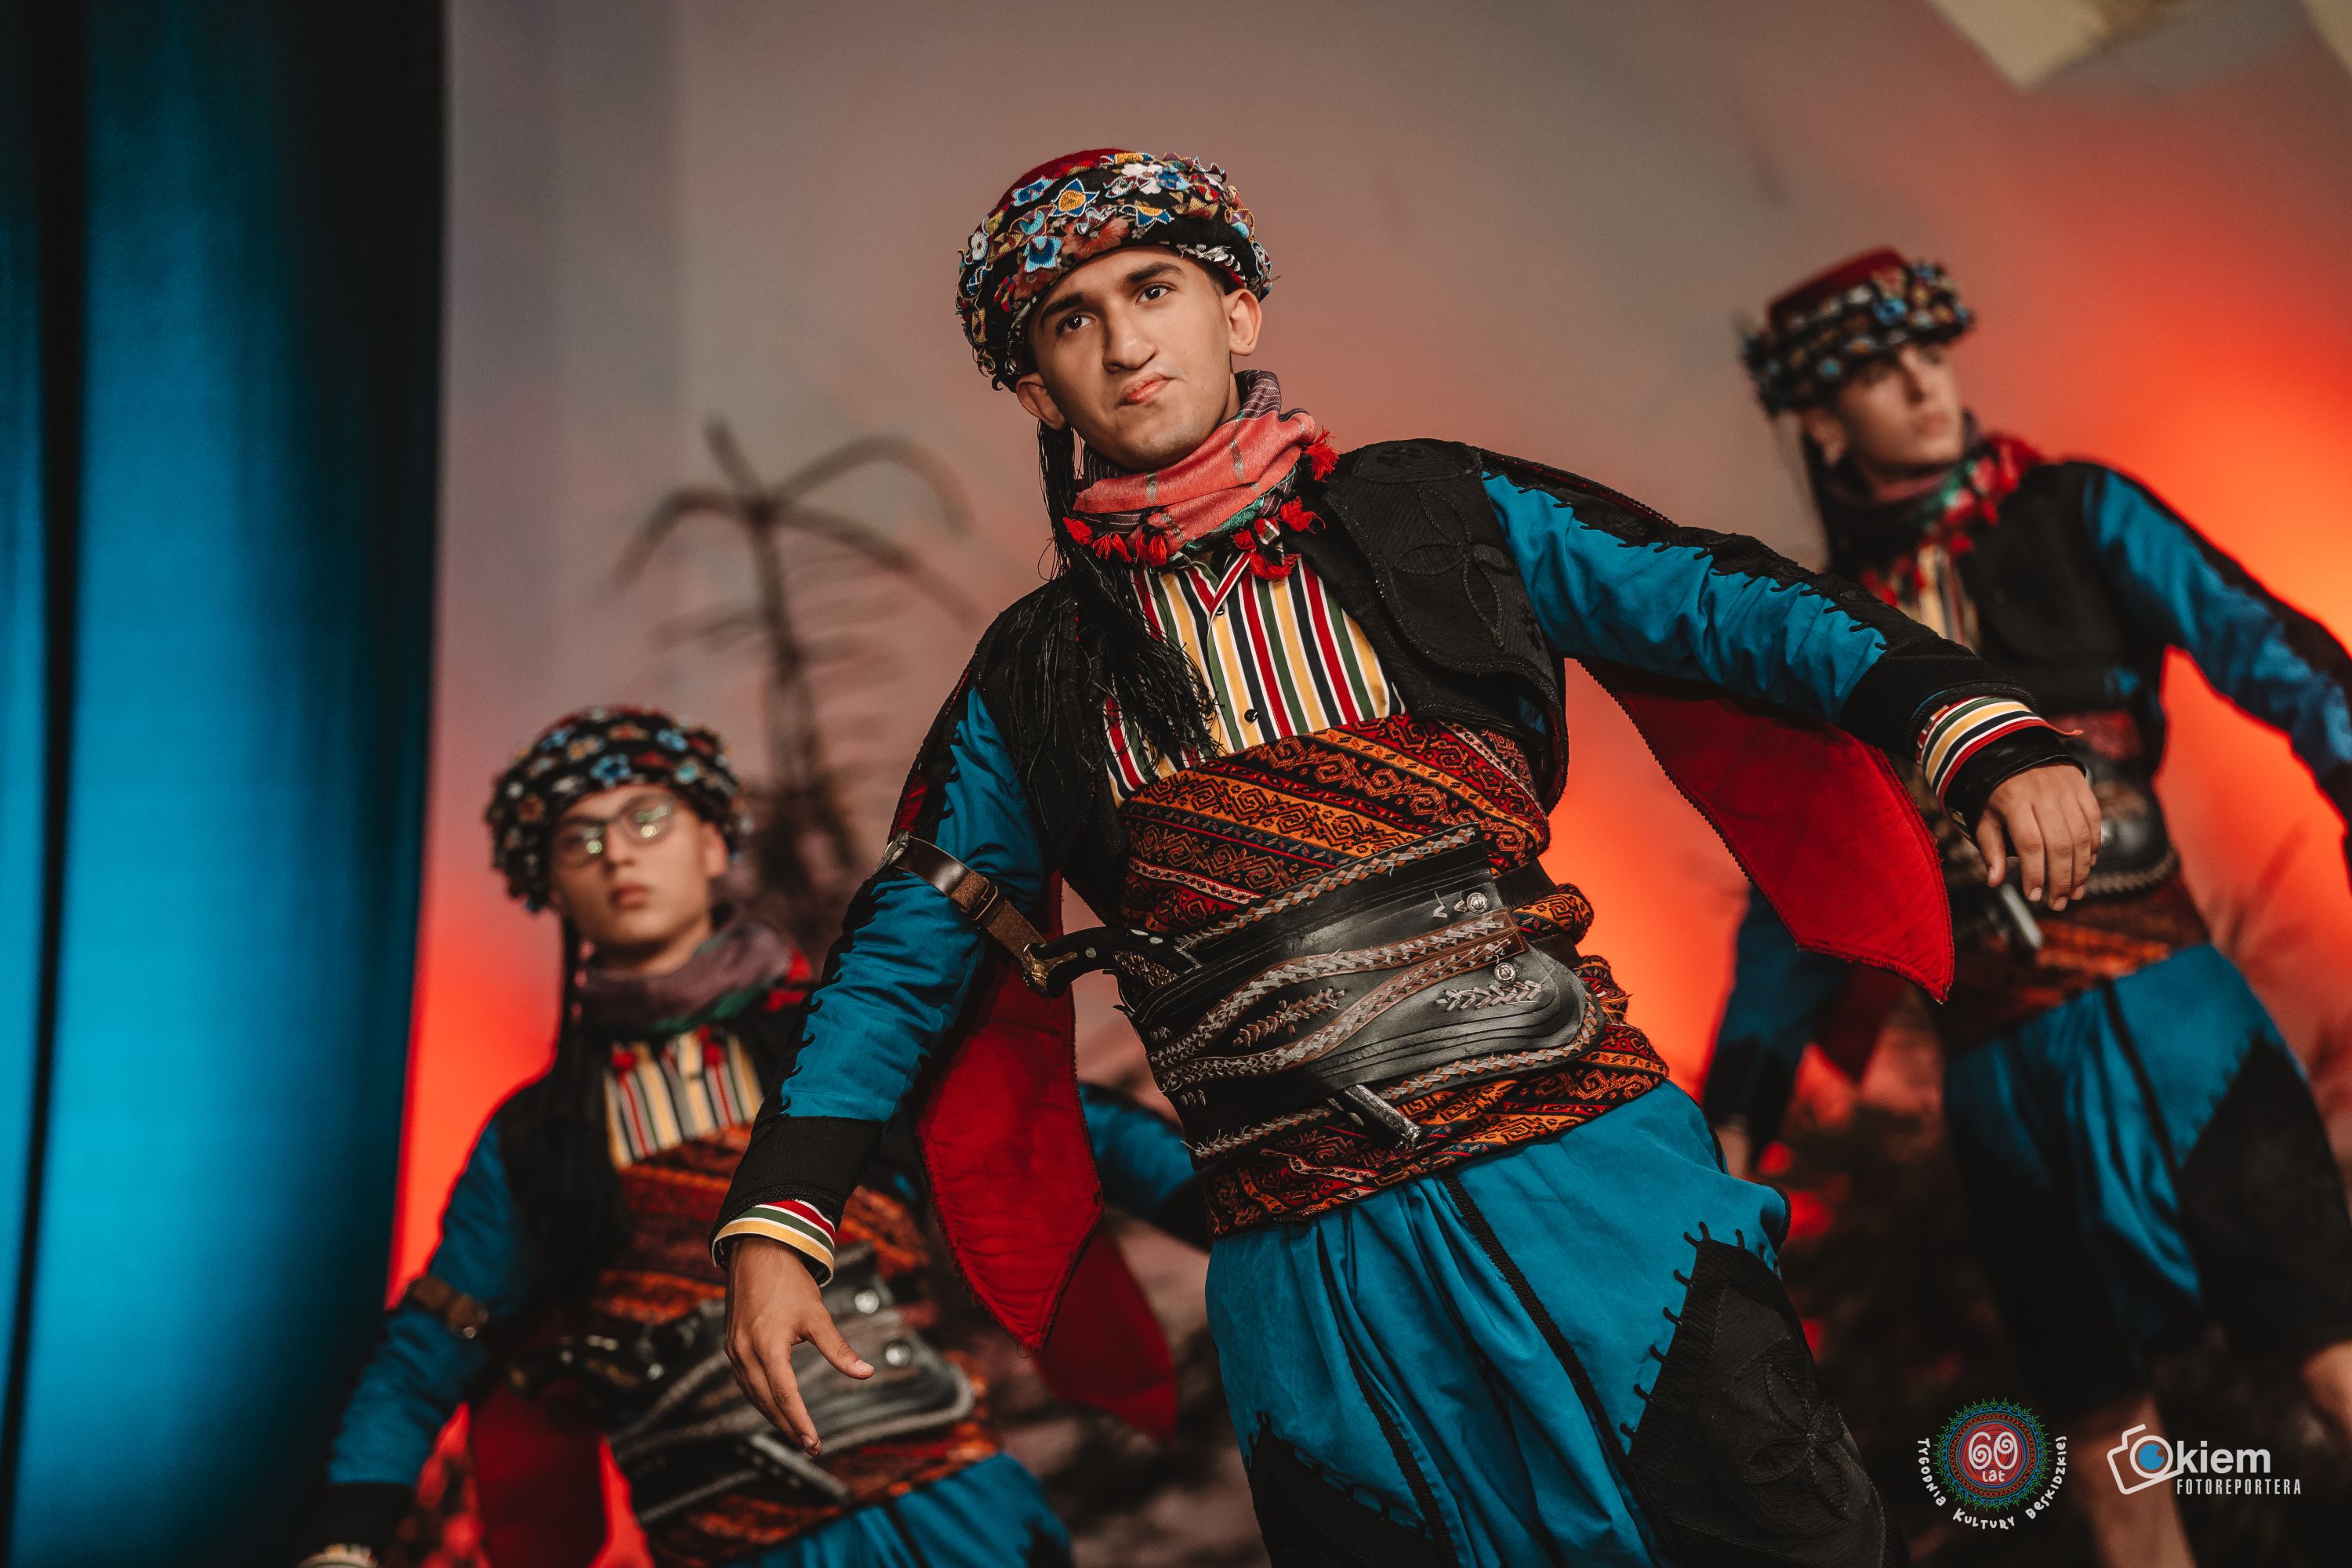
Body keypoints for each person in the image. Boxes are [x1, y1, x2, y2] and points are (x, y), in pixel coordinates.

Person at [716, 151, 2102, 1568]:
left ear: (1237, 310)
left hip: (1595, 1197)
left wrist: (1970, 727)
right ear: (1032, 389)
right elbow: (908, 944)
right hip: (1313, 1291)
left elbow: (1713, 596)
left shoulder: (1442, 510)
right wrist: (781, 1214)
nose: (1126, 343)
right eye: (1072, 321)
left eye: (1155, 289)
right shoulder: (1028, 677)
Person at [1707, 249, 2352, 1567]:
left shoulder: (2078, 512)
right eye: (1877, 372)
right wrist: (1735, 1114)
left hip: (2177, 1028)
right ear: (1820, 421)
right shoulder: (1820, 623)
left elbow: (2268, 648)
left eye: (1931, 353)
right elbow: (1802, 890)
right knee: (2105, 1434)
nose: (1925, 386)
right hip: (1999, 1081)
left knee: (2331, 1346)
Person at [292, 705, 1202, 1568]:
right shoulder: (533, 1139)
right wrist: (345, 1538)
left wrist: (1243, 1204)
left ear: (711, 840)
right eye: (580, 839)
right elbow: (428, 1345)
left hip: (951, 1515)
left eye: (647, 818)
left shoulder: (846, 1039)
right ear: (548, 883)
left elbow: (1058, 1121)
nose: (619, 854)